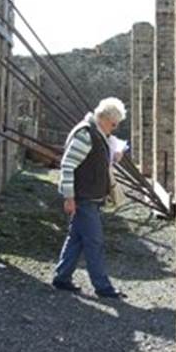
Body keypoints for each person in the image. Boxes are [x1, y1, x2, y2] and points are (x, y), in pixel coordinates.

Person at [51, 97, 128, 299]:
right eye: (113, 123)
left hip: (88, 197)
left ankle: (62, 278)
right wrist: (68, 197)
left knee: (76, 239)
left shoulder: (96, 133)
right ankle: (103, 287)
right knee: (95, 242)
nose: (114, 128)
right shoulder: (87, 134)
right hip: (84, 198)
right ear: (103, 118)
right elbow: (67, 166)